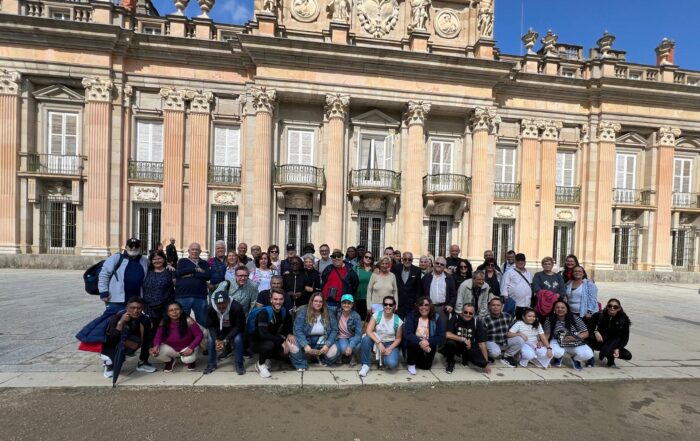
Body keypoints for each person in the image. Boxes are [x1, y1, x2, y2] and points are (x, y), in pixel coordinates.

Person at [100, 297, 152, 378]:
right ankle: (109, 364)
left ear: (142, 308)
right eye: (132, 308)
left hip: (130, 342)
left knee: (148, 341)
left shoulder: (145, 319)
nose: (136, 311)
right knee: (115, 358)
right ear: (127, 307)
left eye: (139, 308)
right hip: (112, 344)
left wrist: (144, 356)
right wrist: (121, 322)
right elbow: (112, 338)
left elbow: (147, 339)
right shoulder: (116, 317)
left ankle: (142, 363)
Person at [140, 250, 174, 372]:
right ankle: (143, 359)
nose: (157, 261)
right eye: (154, 259)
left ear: (164, 259)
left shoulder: (169, 273)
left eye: (159, 258)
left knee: (162, 333)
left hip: (163, 310)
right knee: (148, 335)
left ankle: (167, 358)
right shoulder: (147, 272)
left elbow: (172, 293)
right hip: (148, 309)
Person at [289, 292, 339, 371]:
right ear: (311, 301)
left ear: (323, 303)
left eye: (320, 301)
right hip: (306, 339)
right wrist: (305, 345)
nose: (318, 303)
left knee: (335, 349)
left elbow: (334, 329)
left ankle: (323, 360)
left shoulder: (329, 312)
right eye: (315, 301)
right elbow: (298, 330)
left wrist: (327, 345)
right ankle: (301, 364)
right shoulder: (303, 311)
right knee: (291, 344)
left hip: (322, 339)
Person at [98, 237, 149, 315]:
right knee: (114, 322)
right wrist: (104, 291)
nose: (134, 248)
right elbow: (104, 274)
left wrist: (168, 265)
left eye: (136, 246)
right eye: (131, 245)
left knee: (133, 324)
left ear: (140, 247)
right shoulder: (116, 258)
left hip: (137, 301)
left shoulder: (144, 260)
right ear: (126, 247)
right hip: (117, 300)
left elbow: (156, 267)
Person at [251, 288, 294, 378]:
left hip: (272, 338)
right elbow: (263, 334)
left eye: (280, 299)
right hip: (257, 341)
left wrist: (289, 334)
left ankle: (268, 358)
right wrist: (282, 341)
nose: (278, 302)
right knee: (269, 345)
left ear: (284, 300)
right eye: (275, 299)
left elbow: (288, 326)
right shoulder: (264, 312)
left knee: (286, 353)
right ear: (271, 300)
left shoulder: (284, 311)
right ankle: (260, 364)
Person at [150, 301, 204, 372]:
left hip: (188, 347)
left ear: (181, 310)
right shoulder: (164, 321)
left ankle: (191, 361)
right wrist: (156, 346)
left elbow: (199, 335)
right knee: (156, 352)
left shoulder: (188, 320)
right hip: (172, 348)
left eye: (177, 309)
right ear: (167, 313)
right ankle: (169, 361)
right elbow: (158, 337)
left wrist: (191, 348)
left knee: (188, 359)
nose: (174, 312)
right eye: (171, 310)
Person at [358, 295, 403, 377]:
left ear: (394, 306)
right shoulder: (377, 315)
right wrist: (379, 343)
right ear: (383, 305)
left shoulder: (398, 320)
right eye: (385, 304)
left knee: (392, 364)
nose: (388, 306)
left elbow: (398, 339)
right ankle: (365, 365)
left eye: (390, 305)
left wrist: (389, 349)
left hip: (390, 343)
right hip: (377, 341)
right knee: (366, 339)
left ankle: (384, 358)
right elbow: (368, 330)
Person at [203, 291, 246, 375]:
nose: (221, 306)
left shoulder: (236, 307)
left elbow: (239, 326)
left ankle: (239, 364)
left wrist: (225, 340)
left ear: (229, 301)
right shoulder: (210, 308)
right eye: (218, 304)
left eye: (224, 303)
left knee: (238, 339)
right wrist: (216, 340)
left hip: (233, 328)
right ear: (215, 302)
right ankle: (211, 364)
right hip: (218, 329)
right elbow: (211, 326)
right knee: (211, 340)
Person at [544, 300, 594, 371]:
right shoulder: (550, 319)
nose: (560, 309)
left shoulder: (574, 318)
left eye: (562, 307)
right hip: (557, 341)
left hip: (573, 341)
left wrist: (575, 337)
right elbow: (547, 334)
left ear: (567, 309)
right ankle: (558, 357)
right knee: (556, 352)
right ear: (554, 309)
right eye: (557, 307)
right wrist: (544, 344)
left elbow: (586, 333)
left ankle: (576, 359)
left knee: (588, 354)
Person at [442, 303, 491, 374]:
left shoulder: (476, 322)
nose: (468, 314)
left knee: (481, 363)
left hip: (469, 347)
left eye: (470, 313)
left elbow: (481, 343)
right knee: (450, 343)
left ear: (473, 314)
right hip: (456, 345)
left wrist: (486, 363)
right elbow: (447, 334)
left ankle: (466, 358)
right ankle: (450, 362)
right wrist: (463, 339)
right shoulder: (455, 318)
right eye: (465, 312)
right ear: (462, 311)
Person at [404, 297, 445, 374]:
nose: (424, 307)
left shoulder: (436, 317)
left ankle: (416, 358)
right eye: (421, 305)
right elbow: (407, 334)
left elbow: (440, 336)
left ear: (430, 306)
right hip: (415, 343)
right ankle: (411, 364)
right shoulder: (412, 316)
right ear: (417, 306)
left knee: (426, 367)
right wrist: (420, 342)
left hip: (429, 344)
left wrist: (427, 342)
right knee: (413, 343)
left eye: (426, 305)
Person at [174, 242, 211, 327]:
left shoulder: (204, 263)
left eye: (197, 249)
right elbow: (179, 273)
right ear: (189, 251)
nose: (194, 251)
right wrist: (195, 269)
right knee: (182, 321)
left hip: (200, 297)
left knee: (202, 322)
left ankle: (202, 339)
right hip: (183, 296)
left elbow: (207, 276)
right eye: (193, 249)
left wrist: (192, 274)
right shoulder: (182, 261)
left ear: (200, 251)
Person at [588, 298, 632, 368]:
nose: (612, 308)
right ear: (607, 306)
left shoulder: (623, 320)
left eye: (615, 307)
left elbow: (625, 339)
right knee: (589, 338)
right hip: (598, 341)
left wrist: (617, 348)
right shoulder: (598, 316)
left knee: (627, 355)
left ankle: (610, 360)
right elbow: (589, 329)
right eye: (610, 306)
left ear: (619, 308)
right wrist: (595, 332)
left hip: (611, 344)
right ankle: (589, 359)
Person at [421, 256, 457, 326]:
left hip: (443, 308)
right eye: (437, 263)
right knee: (429, 329)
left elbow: (453, 295)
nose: (439, 265)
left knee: (442, 329)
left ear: (445, 266)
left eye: (442, 264)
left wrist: (450, 305)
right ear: (434, 264)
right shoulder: (426, 277)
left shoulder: (449, 278)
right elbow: (421, 293)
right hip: (429, 307)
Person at [392, 251, 423, 319]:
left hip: (411, 304)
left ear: (412, 260)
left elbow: (418, 288)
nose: (407, 261)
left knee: (410, 325)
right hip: (398, 303)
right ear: (402, 259)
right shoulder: (396, 268)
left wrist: (417, 303)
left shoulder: (417, 270)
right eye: (405, 259)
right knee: (398, 324)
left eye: (409, 259)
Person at [501, 252, 533, 319]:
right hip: (514, 304)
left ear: (525, 262)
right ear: (515, 261)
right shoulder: (509, 273)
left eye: (522, 260)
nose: (520, 262)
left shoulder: (529, 274)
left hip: (526, 304)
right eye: (518, 260)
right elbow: (504, 287)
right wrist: (506, 300)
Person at [482, 297, 513, 361]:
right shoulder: (485, 319)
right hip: (491, 342)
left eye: (498, 305)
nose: (495, 307)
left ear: (502, 306)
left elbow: (512, 331)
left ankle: (506, 356)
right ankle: (489, 354)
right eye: (493, 305)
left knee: (519, 340)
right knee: (495, 352)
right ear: (489, 306)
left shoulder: (508, 316)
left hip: (505, 342)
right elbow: (482, 337)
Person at [335, 294, 363, 365]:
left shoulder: (356, 316)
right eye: (344, 303)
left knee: (358, 345)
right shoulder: (337, 313)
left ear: (352, 304)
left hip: (353, 337)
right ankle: (345, 355)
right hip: (342, 337)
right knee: (343, 349)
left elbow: (358, 335)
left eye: (349, 303)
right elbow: (326, 307)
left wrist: (350, 346)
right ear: (341, 304)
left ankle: (353, 356)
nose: (346, 305)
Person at [354, 250, 374, 320]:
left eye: (370, 258)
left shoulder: (374, 270)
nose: (368, 259)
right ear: (363, 258)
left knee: (370, 319)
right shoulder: (356, 269)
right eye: (366, 257)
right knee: (360, 319)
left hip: (371, 299)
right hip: (359, 298)